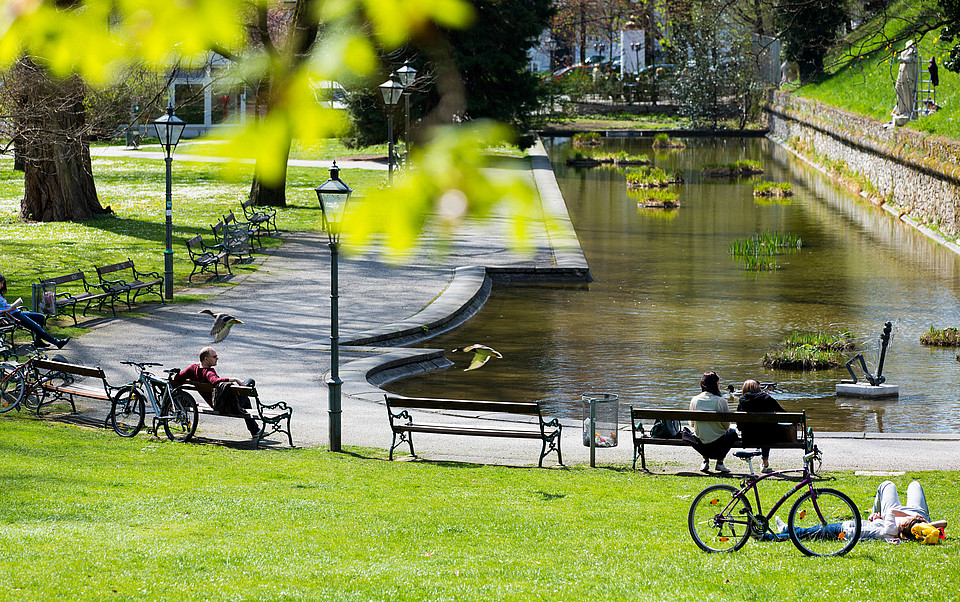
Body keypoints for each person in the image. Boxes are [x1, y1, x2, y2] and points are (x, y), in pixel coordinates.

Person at [766, 480, 947, 543]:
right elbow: (944, 523)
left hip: (847, 530)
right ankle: (785, 532)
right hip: (914, 514)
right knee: (914, 485)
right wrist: (922, 522)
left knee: (814, 532)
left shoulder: (892, 528)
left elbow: (891, 511)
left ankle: (783, 533)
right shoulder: (919, 527)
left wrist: (910, 517)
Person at [172, 346, 259, 438]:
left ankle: (255, 431)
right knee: (249, 385)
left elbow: (177, 378)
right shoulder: (208, 372)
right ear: (206, 359)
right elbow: (214, 381)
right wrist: (234, 379)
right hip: (224, 405)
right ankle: (255, 431)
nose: (217, 358)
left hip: (214, 403)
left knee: (245, 390)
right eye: (214, 357)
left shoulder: (192, 369)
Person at [683, 371, 739, 473]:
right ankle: (720, 462)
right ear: (715, 385)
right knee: (732, 434)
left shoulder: (694, 400)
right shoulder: (721, 401)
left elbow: (691, 423)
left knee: (697, 432)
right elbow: (726, 425)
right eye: (718, 383)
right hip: (719, 444)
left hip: (701, 443)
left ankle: (705, 461)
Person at [0, 274, 69, 349]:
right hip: (11, 316)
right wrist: (8, 309)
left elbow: (3, 305)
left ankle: (38, 341)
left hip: (15, 312)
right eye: (0, 283)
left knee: (40, 317)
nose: (2, 285)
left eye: (2, 283)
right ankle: (57, 342)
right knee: (36, 327)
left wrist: (12, 305)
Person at [736, 380, 792, 474]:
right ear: (758, 388)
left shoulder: (742, 401)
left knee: (763, 430)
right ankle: (764, 462)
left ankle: (764, 463)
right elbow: (784, 414)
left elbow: (740, 426)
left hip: (749, 437)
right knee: (766, 430)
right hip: (769, 437)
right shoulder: (767, 398)